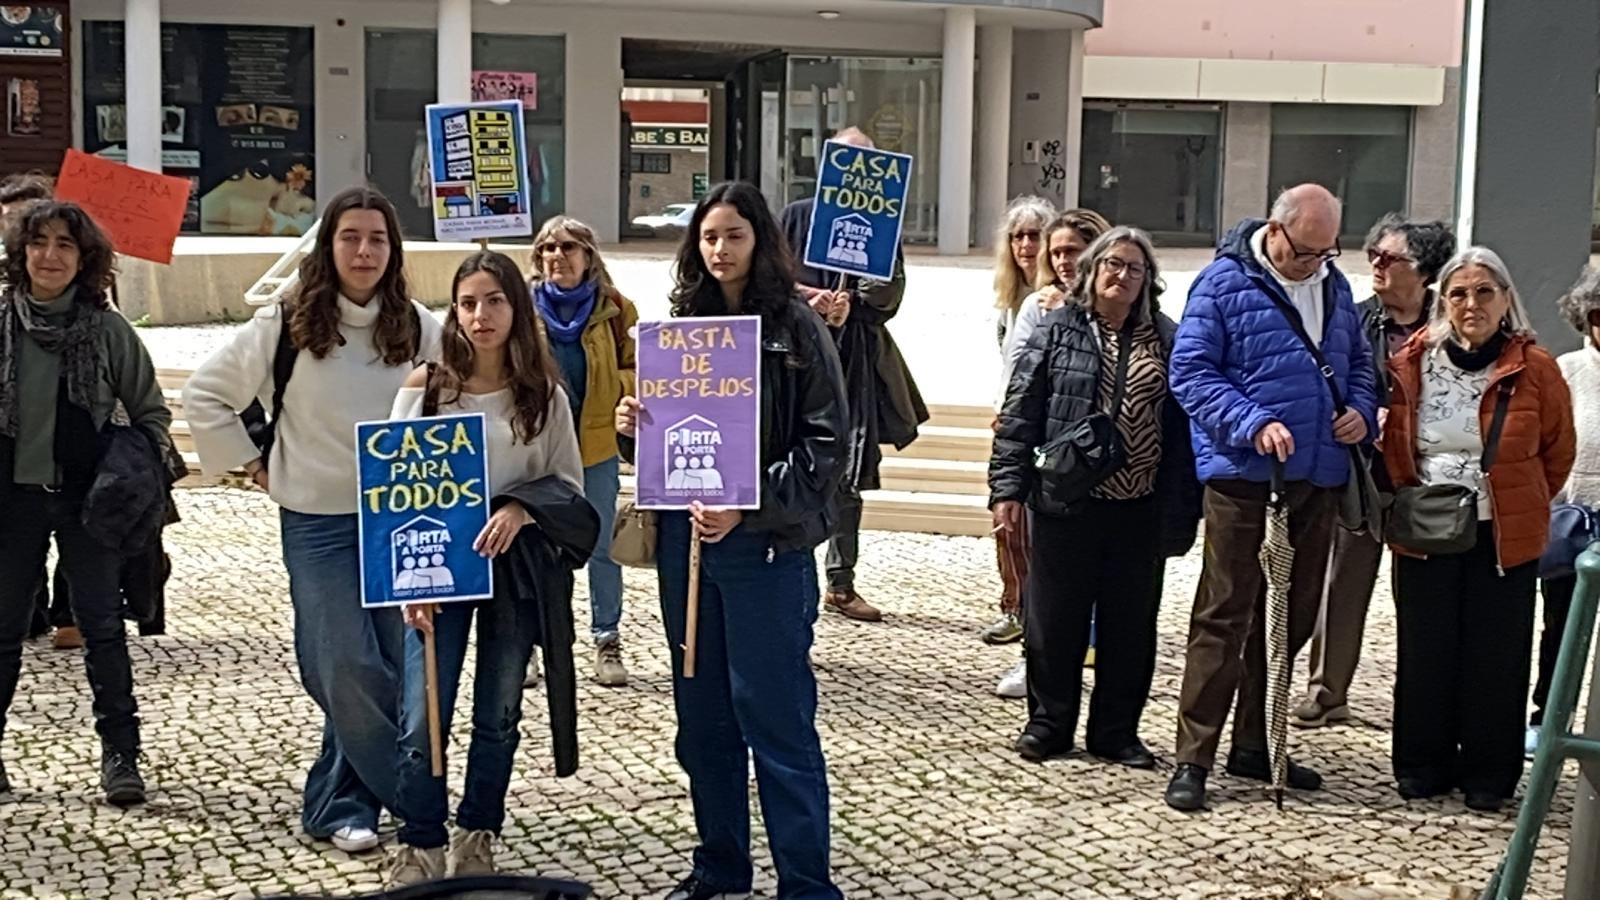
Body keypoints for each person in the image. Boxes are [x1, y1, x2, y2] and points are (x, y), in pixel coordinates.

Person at [184, 187, 442, 852]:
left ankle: (337, 805)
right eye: (350, 236)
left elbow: (463, 397)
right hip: (318, 522)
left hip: (399, 524)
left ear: (393, 250)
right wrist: (254, 466)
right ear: (328, 245)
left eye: (377, 238)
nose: (363, 250)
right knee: (343, 665)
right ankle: (418, 797)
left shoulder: (416, 324)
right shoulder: (289, 319)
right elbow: (207, 394)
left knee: (391, 667)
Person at [615, 180, 847, 900]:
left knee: (776, 724)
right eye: (708, 237)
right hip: (689, 555)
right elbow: (677, 450)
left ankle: (806, 884)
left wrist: (751, 508)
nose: (719, 250)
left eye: (733, 236)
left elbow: (828, 445)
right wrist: (636, 433)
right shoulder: (682, 324)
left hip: (766, 554)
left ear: (760, 242)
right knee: (703, 724)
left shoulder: (795, 328)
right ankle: (720, 868)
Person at [1164, 184, 1380, 811]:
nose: (1316, 263)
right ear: (1277, 232)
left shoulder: (1334, 287)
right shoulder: (1222, 284)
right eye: (1307, 251)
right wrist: (1251, 421)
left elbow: (1360, 367)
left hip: (1317, 472)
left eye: (1328, 252)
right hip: (1243, 476)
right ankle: (1193, 756)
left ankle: (1259, 745)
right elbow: (1192, 373)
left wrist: (1360, 412)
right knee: (1224, 612)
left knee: (1291, 615)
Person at [387, 251, 586, 884]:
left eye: (494, 301)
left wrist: (521, 510)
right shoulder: (425, 390)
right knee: (425, 712)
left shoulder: (544, 396)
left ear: (516, 309)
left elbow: (569, 488)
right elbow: (393, 491)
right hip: (436, 569)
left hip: (515, 572)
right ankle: (420, 842)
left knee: (498, 711)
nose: (480, 315)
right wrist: (402, 585)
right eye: (468, 302)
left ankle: (478, 832)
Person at [989, 226, 1199, 767]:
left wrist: (1182, 506)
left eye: (1134, 267)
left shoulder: (1171, 338)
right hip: (1065, 500)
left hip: (1140, 505)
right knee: (1054, 620)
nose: (1122, 275)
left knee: (1130, 627)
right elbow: (1021, 412)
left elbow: (1184, 429)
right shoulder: (1058, 330)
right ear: (1092, 270)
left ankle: (1116, 731)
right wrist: (1007, 487)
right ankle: (1048, 724)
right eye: (1112, 264)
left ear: (1149, 279)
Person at [1383, 247, 1574, 812]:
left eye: (1484, 292)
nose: (1472, 304)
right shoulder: (1413, 361)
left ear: (1506, 300)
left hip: (1501, 536)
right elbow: (1398, 441)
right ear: (1443, 301)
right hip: (1427, 531)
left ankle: (1490, 775)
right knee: (1425, 651)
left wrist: (1521, 502)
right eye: (1460, 293)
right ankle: (1422, 765)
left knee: (1496, 657)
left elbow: (1557, 452)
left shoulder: (1536, 368)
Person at [0, 201, 171, 805]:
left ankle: (121, 757)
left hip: (88, 506)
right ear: (21, 252)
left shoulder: (106, 330)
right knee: (2, 633)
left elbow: (152, 413)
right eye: (39, 242)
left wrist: (130, 473)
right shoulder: (0, 321)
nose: (51, 255)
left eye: (65, 245)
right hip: (10, 504)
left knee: (102, 630)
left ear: (85, 258)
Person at [1295, 215, 1456, 728]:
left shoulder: (1454, 326)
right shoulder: (1353, 318)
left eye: (1391, 259)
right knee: (1340, 585)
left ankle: (1430, 703)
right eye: (1374, 257)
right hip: (1360, 475)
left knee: (1429, 597)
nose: (1377, 267)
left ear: (1425, 271)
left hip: (1428, 481)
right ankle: (1326, 692)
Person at [779, 126, 927, 625]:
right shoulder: (796, 217)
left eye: (865, 160)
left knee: (849, 468)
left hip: (855, 358)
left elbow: (891, 296)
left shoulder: (883, 225)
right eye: (846, 160)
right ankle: (791, 564)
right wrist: (810, 298)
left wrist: (856, 299)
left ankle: (841, 582)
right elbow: (769, 281)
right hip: (798, 355)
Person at [985, 208, 1112, 653]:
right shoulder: (1036, 307)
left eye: (1071, 252)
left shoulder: (1127, 306)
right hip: (1055, 451)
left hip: (1107, 453)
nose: (1061, 261)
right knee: (1045, 556)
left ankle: (1093, 641)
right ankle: (1035, 644)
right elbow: (1018, 374)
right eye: (1055, 252)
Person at [529, 215, 638, 686]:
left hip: (595, 444)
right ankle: (531, 643)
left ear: (588, 255)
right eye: (548, 248)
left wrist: (619, 393)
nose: (557, 256)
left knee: (599, 546)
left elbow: (637, 365)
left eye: (568, 247)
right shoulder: (522, 307)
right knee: (535, 547)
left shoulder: (615, 308)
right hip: (538, 447)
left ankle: (606, 639)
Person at [0, 173, 81, 647]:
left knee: (75, 531)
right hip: (16, 440)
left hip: (69, 432)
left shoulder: (86, 298)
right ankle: (26, 613)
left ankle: (69, 614)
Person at [987, 194, 1059, 699]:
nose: (1027, 246)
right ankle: (1017, 611)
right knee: (1009, 532)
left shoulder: (1057, 302)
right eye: (1018, 237)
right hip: (1013, 428)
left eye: (1036, 236)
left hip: (1050, 438)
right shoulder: (1013, 303)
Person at [1530, 266, 1600, 756]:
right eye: (1598, 313)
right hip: (1572, 521)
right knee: (1560, 628)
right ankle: (1547, 717)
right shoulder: (1566, 370)